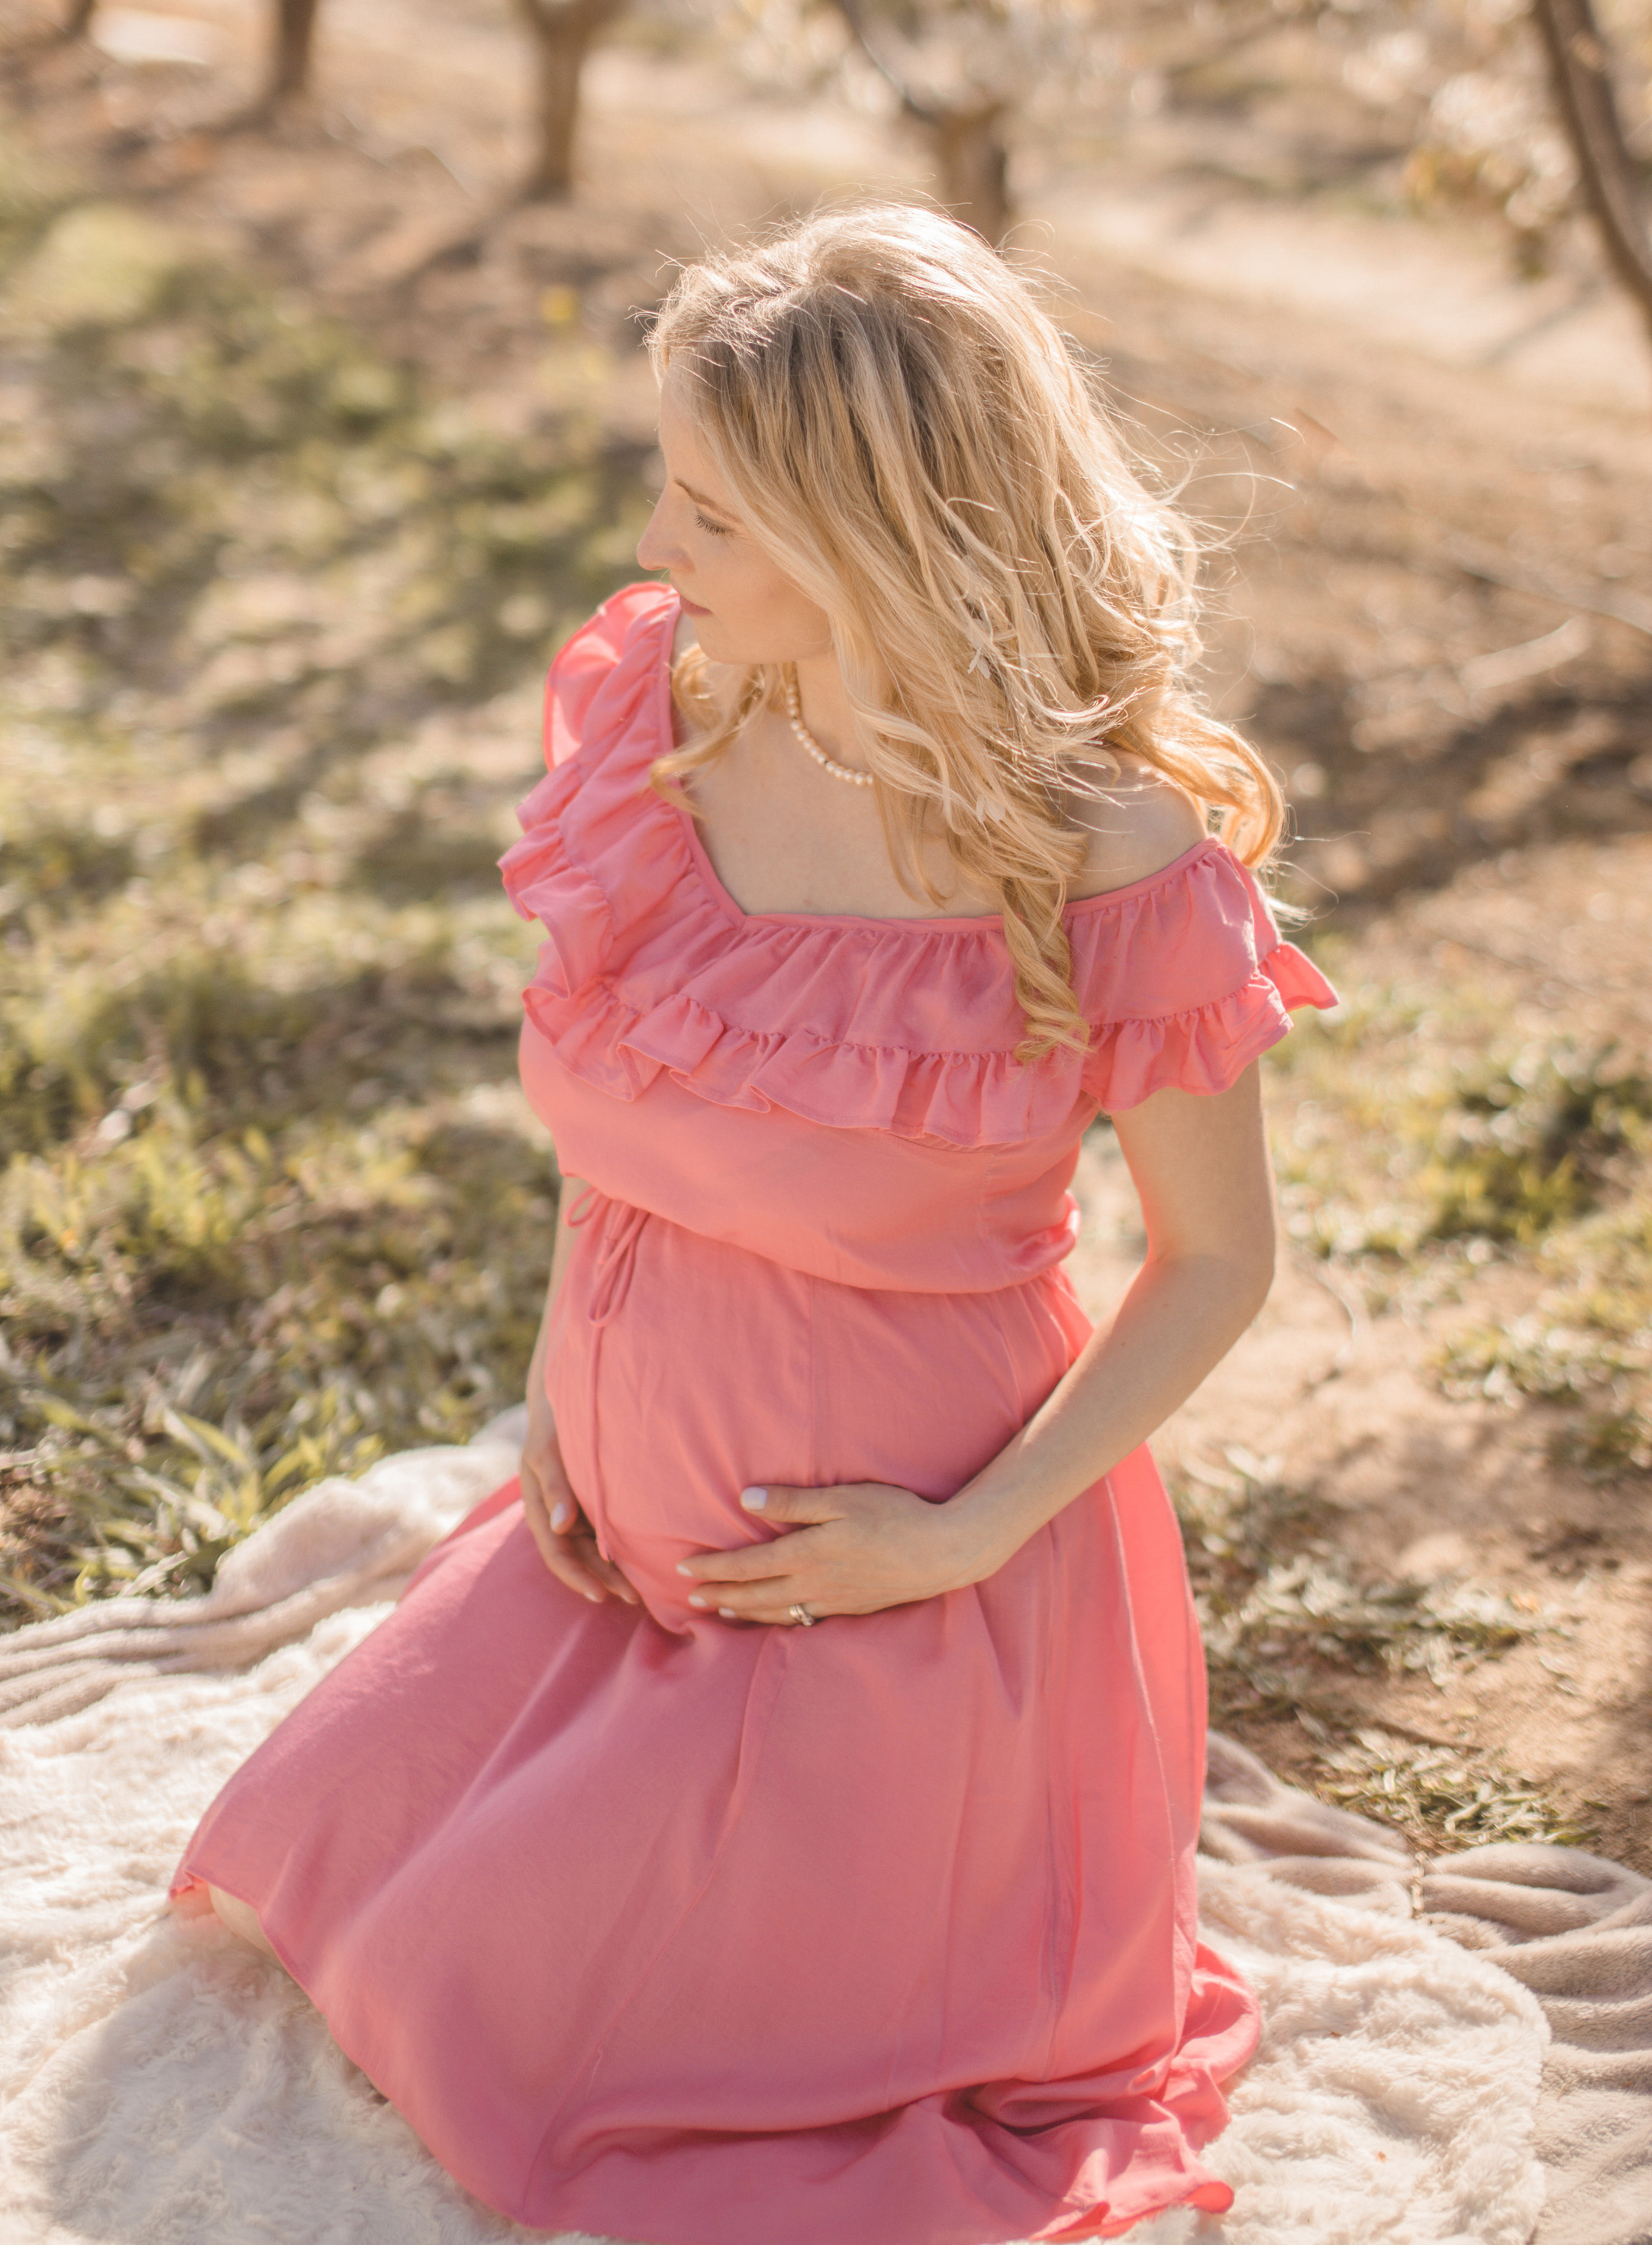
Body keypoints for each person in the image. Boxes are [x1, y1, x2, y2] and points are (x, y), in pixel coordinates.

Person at [169, 205, 1335, 2245]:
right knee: (330, 1873)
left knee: (555, 2047)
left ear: (870, 529)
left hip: (895, 1588)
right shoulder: (670, 712)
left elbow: (1220, 1262)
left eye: (707, 503)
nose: (658, 534)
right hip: (611, 1548)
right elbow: (618, 1126)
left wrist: (961, 1533)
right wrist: (560, 1393)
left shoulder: (1112, 860)